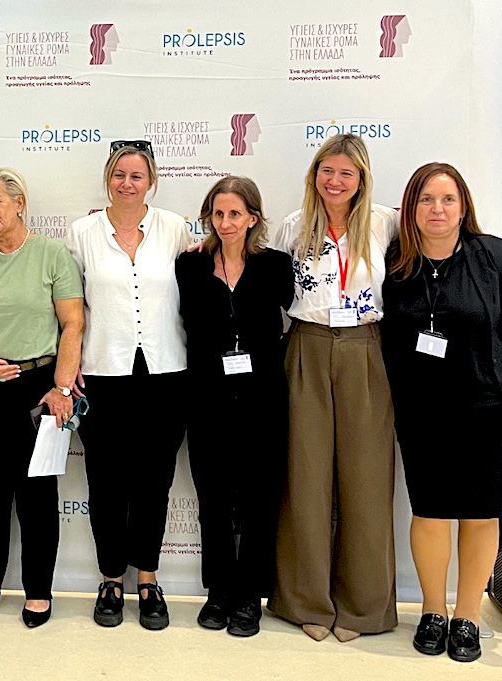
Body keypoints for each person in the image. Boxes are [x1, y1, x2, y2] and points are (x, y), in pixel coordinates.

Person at [267, 133, 399, 642]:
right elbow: (256, 270)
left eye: (346, 173)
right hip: (307, 345)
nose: (335, 181)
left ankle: (363, 607)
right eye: (327, 171)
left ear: (361, 179)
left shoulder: (385, 224)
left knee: (367, 480)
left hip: (365, 349)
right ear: (315, 175)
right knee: (305, 477)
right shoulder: (294, 226)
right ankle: (306, 602)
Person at [0, 167, 83, 628]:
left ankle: (39, 590)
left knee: (37, 493)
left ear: (19, 203)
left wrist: (61, 388)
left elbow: (73, 324)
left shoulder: (52, 255)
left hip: (37, 386)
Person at [66, 140, 191, 630]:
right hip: (103, 375)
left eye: (136, 176)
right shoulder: (82, 233)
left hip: (166, 376)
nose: (127, 183)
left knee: (155, 483)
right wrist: (68, 365)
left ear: (151, 182)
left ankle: (149, 580)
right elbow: (69, 308)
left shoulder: (174, 228)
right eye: (119, 174)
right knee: (106, 484)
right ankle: (111, 580)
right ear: (107, 179)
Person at [382, 163, 502, 663]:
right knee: (430, 512)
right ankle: (434, 610)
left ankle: (467, 615)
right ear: (410, 208)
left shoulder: (492, 256)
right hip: (421, 412)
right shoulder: (393, 263)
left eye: (447, 199)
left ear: (463, 206)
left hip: (486, 409)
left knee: (480, 515)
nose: (437, 209)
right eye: (426, 199)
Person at [175, 177, 293, 637]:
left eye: (235, 214)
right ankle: (219, 590)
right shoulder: (190, 265)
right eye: (218, 214)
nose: (225, 223)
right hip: (207, 398)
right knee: (214, 499)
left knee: (260, 499)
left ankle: (250, 595)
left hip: (263, 398)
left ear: (253, 219)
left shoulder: (276, 266)